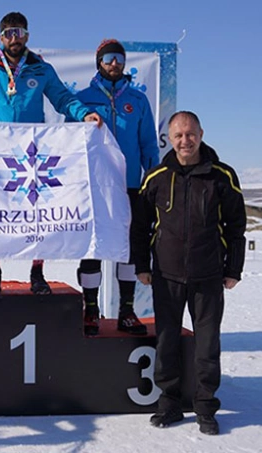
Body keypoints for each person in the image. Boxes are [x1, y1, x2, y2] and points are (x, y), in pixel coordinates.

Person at [0, 11, 102, 295]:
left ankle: (37, 271)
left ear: (27, 36)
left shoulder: (42, 69)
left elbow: (62, 98)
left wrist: (84, 114)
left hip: (33, 152)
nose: (15, 38)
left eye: (20, 32)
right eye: (10, 33)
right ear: (1, 37)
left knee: (37, 209)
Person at [132, 111, 246, 435]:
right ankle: (168, 403)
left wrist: (233, 268)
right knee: (167, 340)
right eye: (179, 135)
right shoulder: (155, 178)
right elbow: (141, 227)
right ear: (170, 138)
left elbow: (236, 226)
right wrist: (141, 264)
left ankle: (205, 406)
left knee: (207, 344)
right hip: (166, 276)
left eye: (191, 134)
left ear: (201, 134)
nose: (186, 141)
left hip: (208, 276)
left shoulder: (222, 176)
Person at [72, 39, 160, 336]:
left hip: (129, 187)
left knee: (129, 250)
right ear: (99, 62)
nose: (114, 63)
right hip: (93, 187)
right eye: (108, 58)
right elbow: (67, 142)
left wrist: (152, 177)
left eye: (119, 58)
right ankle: (91, 310)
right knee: (93, 247)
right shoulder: (82, 100)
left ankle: (126, 311)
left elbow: (148, 142)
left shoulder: (137, 100)